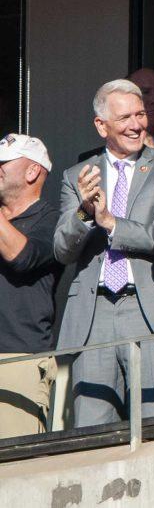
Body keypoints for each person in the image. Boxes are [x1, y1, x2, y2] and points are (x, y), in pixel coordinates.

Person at [54, 79, 154, 426]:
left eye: (140, 114)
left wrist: (112, 223)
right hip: (94, 311)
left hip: (146, 308)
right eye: (125, 117)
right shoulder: (77, 176)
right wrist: (85, 211)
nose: (136, 124)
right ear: (101, 126)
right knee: (91, 426)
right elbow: (62, 250)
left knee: (153, 419)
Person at [0, 135, 61, 439]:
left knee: (13, 465)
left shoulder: (53, 219)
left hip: (17, 358)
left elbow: (22, 257)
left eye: (3, 163)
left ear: (32, 172)